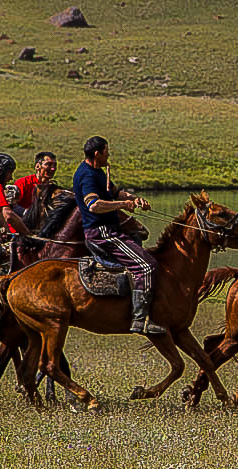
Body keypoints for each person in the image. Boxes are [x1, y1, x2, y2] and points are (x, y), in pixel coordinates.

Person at [73, 136, 162, 335]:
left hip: (110, 230)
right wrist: (123, 205)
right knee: (147, 266)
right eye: (106, 151)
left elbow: (115, 192)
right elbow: (93, 205)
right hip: (101, 232)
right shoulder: (86, 175)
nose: (108, 155)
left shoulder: (98, 172)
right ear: (97, 154)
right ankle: (140, 319)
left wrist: (134, 199)